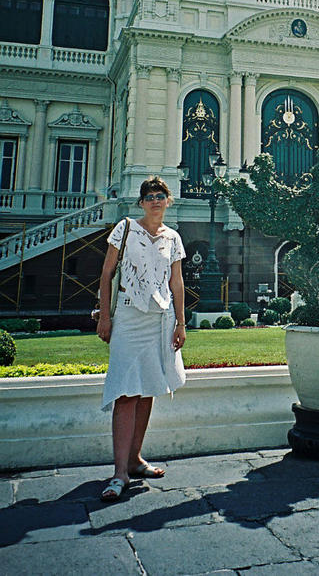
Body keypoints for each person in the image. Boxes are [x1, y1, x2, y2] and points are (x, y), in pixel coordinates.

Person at [97, 177, 186, 502]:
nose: (155, 201)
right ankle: (119, 472)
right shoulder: (125, 229)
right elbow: (106, 274)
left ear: (168, 200)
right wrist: (106, 316)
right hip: (129, 317)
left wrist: (181, 323)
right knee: (125, 392)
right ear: (141, 202)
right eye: (149, 196)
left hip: (159, 320)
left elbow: (176, 283)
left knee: (147, 388)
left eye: (160, 195)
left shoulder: (173, 238)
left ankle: (135, 460)